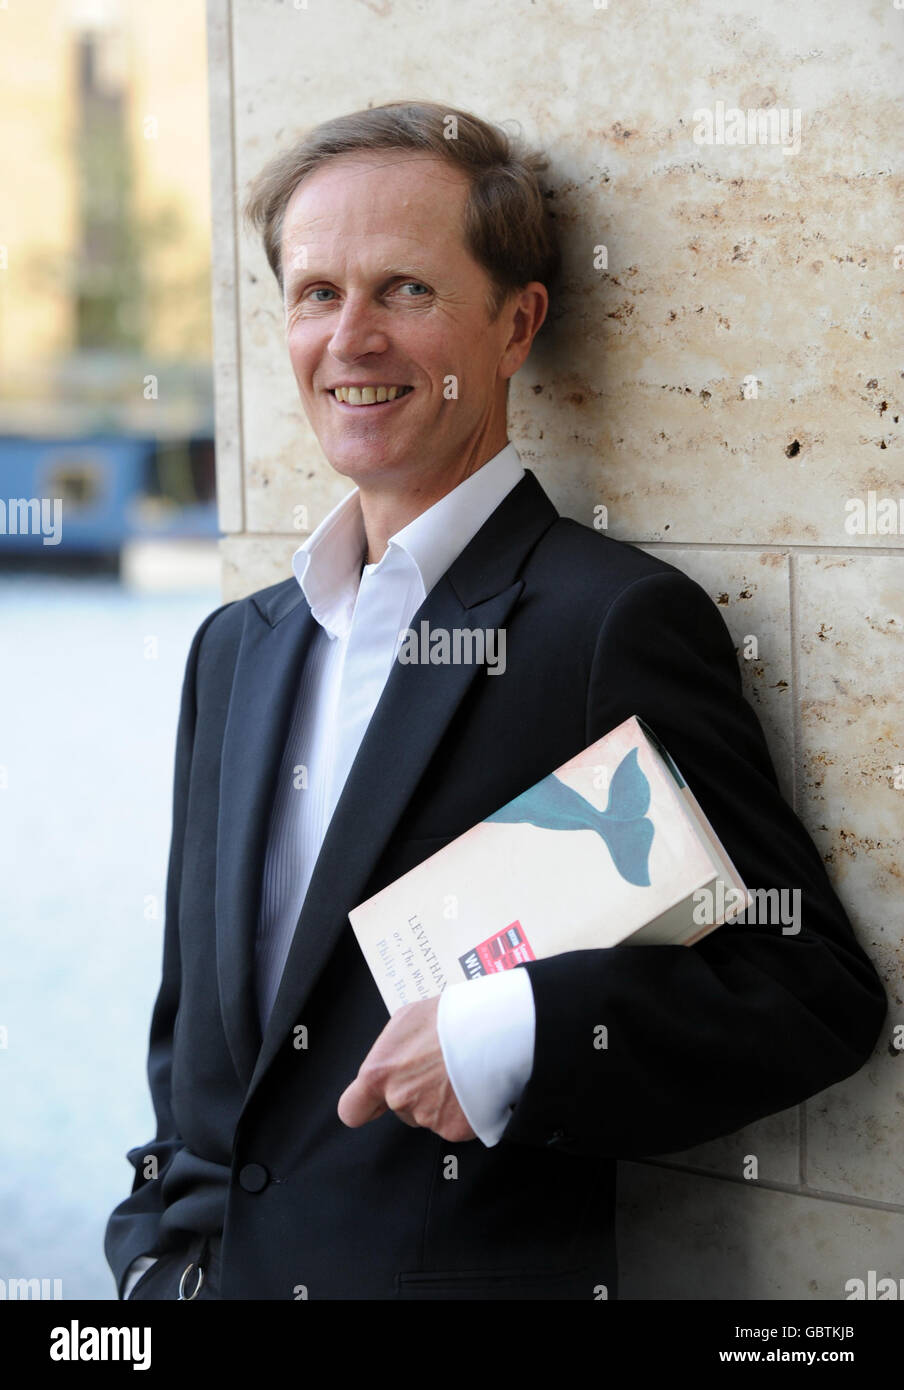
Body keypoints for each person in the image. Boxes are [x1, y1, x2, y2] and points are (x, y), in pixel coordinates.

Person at [105, 100, 886, 1301]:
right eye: (317, 294)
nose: (352, 338)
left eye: (406, 290)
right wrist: (155, 1267)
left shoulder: (606, 623)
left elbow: (810, 991)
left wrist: (508, 1031)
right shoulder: (234, 649)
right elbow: (197, 1058)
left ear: (517, 324)